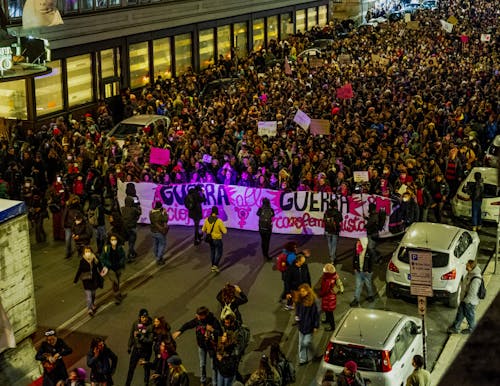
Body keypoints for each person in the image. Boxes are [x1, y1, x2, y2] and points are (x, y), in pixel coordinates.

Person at [172, 306, 222, 386]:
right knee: (202, 364)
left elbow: (220, 333)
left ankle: (214, 383)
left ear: (204, 315)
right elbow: (188, 325)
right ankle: (203, 380)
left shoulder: (213, 321)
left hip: (211, 347)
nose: (196, 316)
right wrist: (180, 331)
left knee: (213, 366)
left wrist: (212, 330)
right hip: (201, 346)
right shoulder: (198, 320)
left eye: (198, 315)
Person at [447, 260, 482, 334]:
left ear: (470, 267)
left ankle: (472, 328)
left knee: (470, 316)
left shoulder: (475, 279)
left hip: (469, 301)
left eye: (467, 265)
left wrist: (467, 301)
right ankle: (456, 327)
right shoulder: (470, 274)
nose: (465, 265)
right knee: (460, 313)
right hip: (465, 299)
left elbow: (472, 292)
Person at [125, 309, 154, 386]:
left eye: (146, 317)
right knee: (131, 368)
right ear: (140, 317)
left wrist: (141, 337)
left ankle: (146, 382)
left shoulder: (150, 326)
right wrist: (129, 346)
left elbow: (150, 340)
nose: (145, 319)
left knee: (146, 367)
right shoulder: (136, 323)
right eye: (143, 317)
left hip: (146, 350)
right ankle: (127, 384)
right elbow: (131, 335)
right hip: (136, 349)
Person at [73, 246, 103, 316]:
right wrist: (75, 280)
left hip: (94, 280)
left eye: (88, 251)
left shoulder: (95, 259)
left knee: (93, 294)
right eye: (86, 252)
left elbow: (100, 266)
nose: (87, 253)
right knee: (88, 297)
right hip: (86, 281)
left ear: (91, 252)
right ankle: (89, 309)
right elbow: (79, 271)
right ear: (84, 253)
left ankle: (92, 304)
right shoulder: (82, 261)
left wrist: (102, 272)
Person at [294, 283, 319, 366]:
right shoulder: (299, 301)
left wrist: (316, 326)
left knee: (306, 342)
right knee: (301, 344)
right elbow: (297, 312)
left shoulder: (312, 302)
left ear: (308, 291)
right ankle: (303, 359)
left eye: (304, 291)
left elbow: (316, 315)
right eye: (301, 291)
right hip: (301, 326)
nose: (302, 293)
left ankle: (314, 354)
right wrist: (297, 318)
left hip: (309, 326)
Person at [100, 234, 127, 305]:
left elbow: (123, 257)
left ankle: (118, 294)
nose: (113, 241)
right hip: (110, 268)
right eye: (112, 240)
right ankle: (117, 297)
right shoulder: (106, 248)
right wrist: (109, 264)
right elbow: (102, 258)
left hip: (118, 268)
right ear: (109, 240)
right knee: (115, 282)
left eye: (115, 239)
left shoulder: (119, 248)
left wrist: (121, 263)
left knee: (117, 281)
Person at [350, 237, 375, 307]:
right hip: (358, 271)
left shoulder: (370, 251)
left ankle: (370, 296)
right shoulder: (357, 248)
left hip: (366, 272)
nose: (358, 243)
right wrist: (354, 267)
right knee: (358, 286)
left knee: (368, 285)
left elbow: (372, 262)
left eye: (360, 241)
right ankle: (356, 300)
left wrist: (369, 271)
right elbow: (354, 258)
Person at [201, 206, 227, 273]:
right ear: (217, 213)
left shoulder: (206, 219)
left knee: (212, 252)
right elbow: (225, 231)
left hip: (210, 239)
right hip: (217, 239)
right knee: (219, 253)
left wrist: (208, 230)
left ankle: (213, 265)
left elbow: (203, 229)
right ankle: (215, 266)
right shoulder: (219, 221)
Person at [318, 263, 343, 331]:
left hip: (328, 298)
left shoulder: (328, 280)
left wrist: (320, 294)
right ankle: (327, 320)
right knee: (327, 310)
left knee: (329, 312)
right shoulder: (334, 276)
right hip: (331, 297)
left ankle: (332, 327)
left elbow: (325, 290)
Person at [121, 195, 142, 261]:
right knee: (131, 242)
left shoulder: (122, 209)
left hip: (124, 228)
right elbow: (139, 213)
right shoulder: (133, 209)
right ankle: (130, 254)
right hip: (132, 227)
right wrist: (138, 207)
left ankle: (132, 252)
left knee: (127, 241)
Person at [149, 201, 169, 265]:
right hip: (159, 232)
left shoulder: (151, 212)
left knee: (155, 244)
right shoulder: (161, 214)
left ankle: (157, 255)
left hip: (153, 231)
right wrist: (165, 213)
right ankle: (159, 258)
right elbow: (166, 219)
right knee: (162, 244)